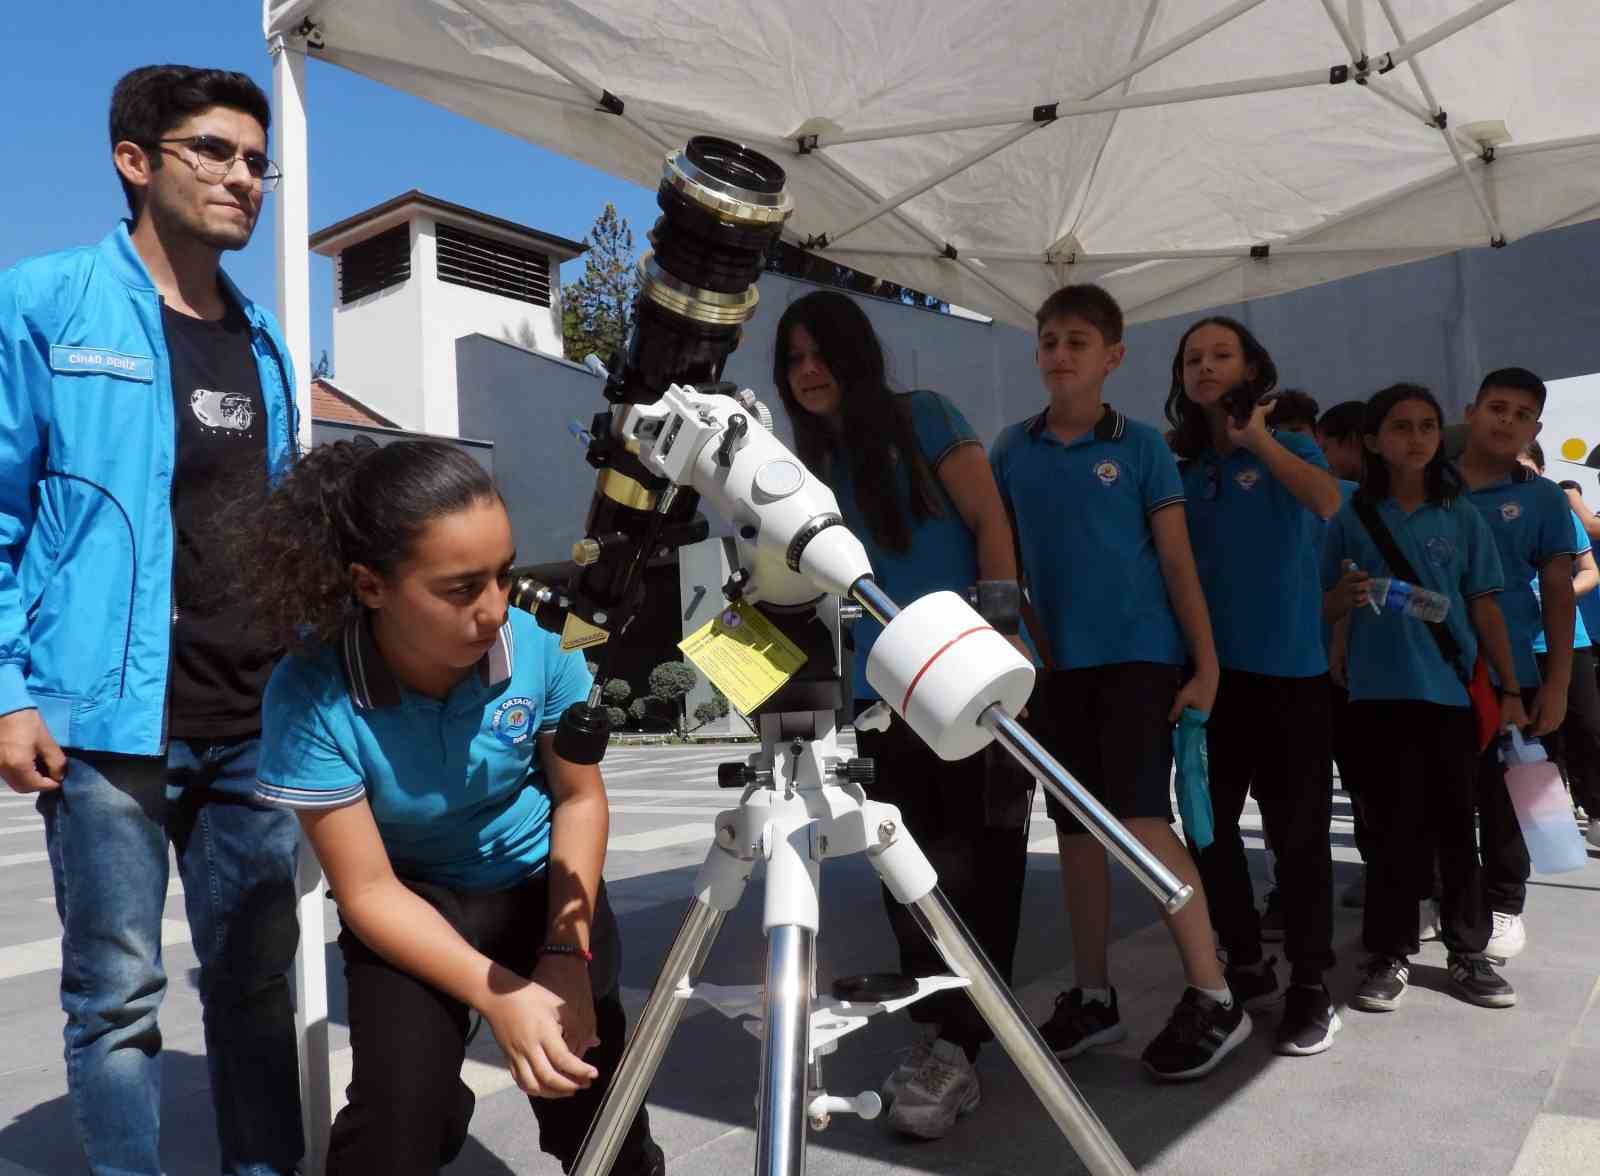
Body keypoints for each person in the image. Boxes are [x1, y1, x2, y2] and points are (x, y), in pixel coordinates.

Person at [0, 66, 303, 1175]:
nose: (244, 178)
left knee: (255, 989)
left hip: (255, 722)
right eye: (214, 152)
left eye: (256, 161)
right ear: (135, 160)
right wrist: (8, 692)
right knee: (117, 997)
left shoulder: (266, 341)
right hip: (107, 728)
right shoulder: (44, 303)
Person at [243, 438, 663, 1176]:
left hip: (544, 888)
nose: (495, 609)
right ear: (370, 586)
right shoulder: (311, 694)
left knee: (598, 1116)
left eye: (504, 575)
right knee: (396, 1126)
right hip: (414, 902)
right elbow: (367, 890)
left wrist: (566, 953)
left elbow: (578, 796)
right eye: (461, 588)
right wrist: (498, 997)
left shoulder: (541, 649)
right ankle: (436, 1104)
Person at [774, 289, 1031, 1139]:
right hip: (881, 704)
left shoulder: (924, 417)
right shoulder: (804, 464)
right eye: (794, 359)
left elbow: (989, 515)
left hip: (965, 683)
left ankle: (961, 1048)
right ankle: (938, 1033)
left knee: (977, 870)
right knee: (906, 872)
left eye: (822, 353)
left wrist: (996, 634)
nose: (809, 372)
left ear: (856, 356)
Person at [991, 283, 1249, 1082]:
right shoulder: (1010, 450)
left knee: (1140, 822)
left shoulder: (1137, 448)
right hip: (1056, 671)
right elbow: (1004, 571)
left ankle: (1214, 994)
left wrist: (1204, 665)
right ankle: (1093, 995)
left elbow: (1178, 562)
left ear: (1113, 358)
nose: (1060, 355)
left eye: (1077, 341)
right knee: (1074, 836)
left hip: (1139, 660)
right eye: (1049, 341)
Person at [1165, 319, 1344, 1056]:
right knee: (1206, 834)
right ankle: (1244, 960)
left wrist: (1258, 441)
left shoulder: (1290, 448)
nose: (1205, 367)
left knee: (1298, 840)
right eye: (1192, 358)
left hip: (1292, 681)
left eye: (1221, 355)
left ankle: (1310, 982)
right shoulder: (1176, 466)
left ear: (1252, 368)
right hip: (1209, 683)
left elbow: (1329, 502)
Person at [1324, 383, 1524, 1013]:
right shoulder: (1350, 517)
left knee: (1454, 832)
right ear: (1374, 440)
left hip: (1448, 697)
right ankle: (1387, 954)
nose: (1416, 438)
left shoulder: (1459, 514)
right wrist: (1344, 599)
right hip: (1372, 699)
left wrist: (1510, 686)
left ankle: (1469, 952)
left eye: (1428, 426)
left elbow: (1484, 605)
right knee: (1384, 833)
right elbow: (1323, 603)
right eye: (1401, 426)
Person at [1457, 369, 1577, 965]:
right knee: (1437, 798)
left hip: (1514, 675)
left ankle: (1505, 905)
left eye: (1521, 413)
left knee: (1511, 799)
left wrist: (1556, 682)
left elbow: (1558, 588)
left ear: (1535, 428)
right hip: (1432, 670)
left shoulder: (1541, 498)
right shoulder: (1422, 487)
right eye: (1496, 407)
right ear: (1471, 411)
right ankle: (1447, 899)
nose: (1507, 420)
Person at [1518, 443, 1600, 839]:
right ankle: (1549, 823)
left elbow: (1589, 571)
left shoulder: (1559, 510)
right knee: (1536, 737)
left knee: (1587, 725)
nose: (1522, 478)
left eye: (1529, 469)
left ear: (1543, 469)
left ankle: (1596, 810)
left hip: (1571, 639)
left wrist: (1562, 593)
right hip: (1518, 645)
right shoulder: (1484, 513)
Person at [1316, 400, 1371, 906]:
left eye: (1325, 446)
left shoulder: (1341, 501)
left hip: (1345, 661)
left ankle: (1384, 872)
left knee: (1361, 775)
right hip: (1374, 663)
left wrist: (1337, 642)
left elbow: (1347, 583)